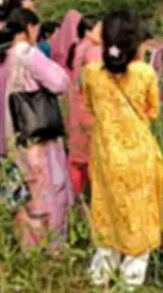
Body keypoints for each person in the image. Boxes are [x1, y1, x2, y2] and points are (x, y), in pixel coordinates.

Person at [82, 9, 163, 289]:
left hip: (106, 154)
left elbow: (90, 107)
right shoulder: (145, 73)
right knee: (138, 212)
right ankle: (131, 277)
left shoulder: (91, 72)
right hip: (139, 154)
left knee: (106, 208)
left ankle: (101, 271)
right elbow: (153, 112)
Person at [0, 8, 72, 249]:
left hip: (6, 141)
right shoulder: (27, 54)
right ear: (29, 28)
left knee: (21, 199)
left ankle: (27, 248)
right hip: (34, 141)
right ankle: (51, 249)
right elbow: (59, 82)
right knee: (45, 197)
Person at [66, 15, 102, 195]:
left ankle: (76, 200)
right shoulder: (93, 51)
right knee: (94, 158)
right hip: (90, 111)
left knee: (77, 159)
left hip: (76, 110)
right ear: (88, 32)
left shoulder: (79, 48)